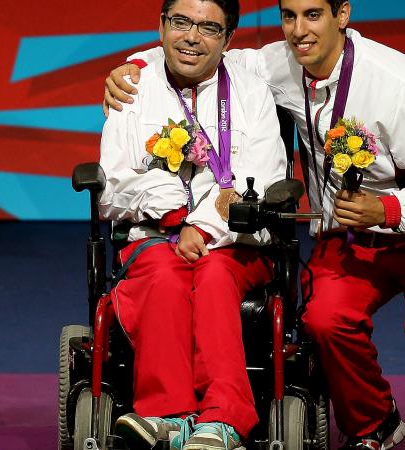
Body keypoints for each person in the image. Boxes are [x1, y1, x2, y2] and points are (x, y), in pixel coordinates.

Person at [104, 1, 405, 449]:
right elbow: (200, 48)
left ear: (342, 14)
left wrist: (387, 210)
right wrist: (132, 66)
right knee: (323, 321)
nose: (298, 30)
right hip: (350, 235)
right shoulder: (279, 62)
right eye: (288, 15)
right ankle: (375, 425)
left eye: (313, 15)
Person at [98, 0, 287, 449]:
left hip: (235, 243)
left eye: (208, 28)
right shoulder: (133, 88)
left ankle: (225, 418)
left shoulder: (251, 88)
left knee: (216, 274)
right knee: (164, 276)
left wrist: (201, 226)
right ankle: (168, 414)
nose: (191, 36)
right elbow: (112, 185)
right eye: (180, 22)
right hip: (154, 238)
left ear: (228, 39)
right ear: (161, 25)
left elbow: (260, 173)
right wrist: (168, 207)